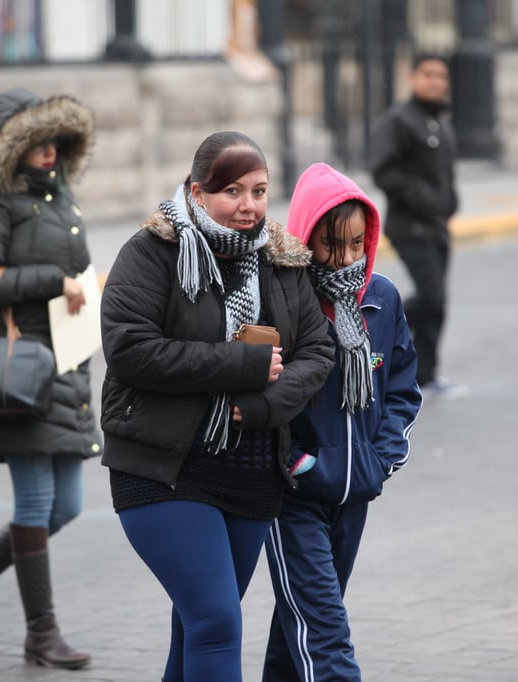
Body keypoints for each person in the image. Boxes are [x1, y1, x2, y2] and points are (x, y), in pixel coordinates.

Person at [99, 130, 336, 681]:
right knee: (216, 623)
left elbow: (316, 351)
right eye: (232, 191)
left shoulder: (282, 258)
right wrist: (241, 365)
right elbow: (130, 351)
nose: (248, 205)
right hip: (165, 467)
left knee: (197, 627)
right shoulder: (151, 252)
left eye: (258, 191)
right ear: (197, 190)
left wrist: (256, 408)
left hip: (252, 470)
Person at [0, 87, 100, 670]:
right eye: (36, 139)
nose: (49, 148)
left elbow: (69, 266)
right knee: (36, 499)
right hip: (15, 367)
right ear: (12, 146)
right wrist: (57, 280)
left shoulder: (57, 193)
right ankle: (41, 632)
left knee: (68, 506)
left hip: (62, 356)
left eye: (55, 138)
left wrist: (80, 286)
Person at [263, 162, 422, 681]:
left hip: (355, 495)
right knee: (325, 635)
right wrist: (298, 463)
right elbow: (264, 394)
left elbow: (401, 386)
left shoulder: (382, 298)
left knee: (299, 636)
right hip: (295, 497)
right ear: (307, 237)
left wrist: (384, 457)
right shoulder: (283, 301)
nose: (347, 258)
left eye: (357, 243)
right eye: (332, 244)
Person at [369, 53, 467, 397]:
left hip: (438, 226)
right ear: (413, 78)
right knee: (431, 297)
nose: (435, 82)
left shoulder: (440, 120)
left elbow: (445, 174)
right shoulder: (399, 120)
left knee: (438, 305)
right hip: (410, 226)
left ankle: (425, 375)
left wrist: (450, 204)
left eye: (441, 76)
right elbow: (383, 170)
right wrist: (422, 201)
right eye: (428, 75)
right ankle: (377, 326)